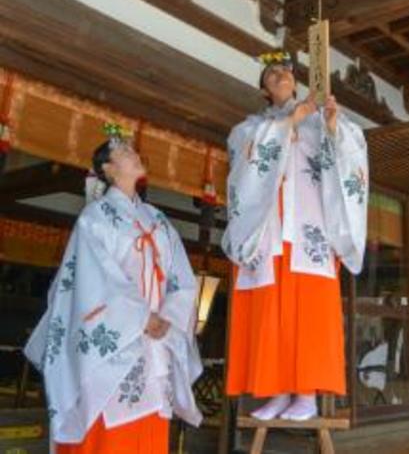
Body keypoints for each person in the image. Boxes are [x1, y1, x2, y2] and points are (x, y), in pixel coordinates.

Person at [25, 123, 203, 453]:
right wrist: (140, 317)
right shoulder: (95, 218)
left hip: (156, 339)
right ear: (107, 169)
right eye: (124, 152)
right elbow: (95, 279)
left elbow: (181, 278)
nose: (135, 154)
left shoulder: (158, 220)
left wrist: (168, 317)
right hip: (116, 340)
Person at [222, 52, 368, 421]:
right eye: (271, 74)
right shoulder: (248, 128)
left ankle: (306, 393)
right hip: (266, 232)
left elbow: (352, 153)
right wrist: (290, 122)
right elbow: (244, 158)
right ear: (263, 88)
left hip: (309, 232)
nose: (280, 76)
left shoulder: (318, 118)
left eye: (285, 71)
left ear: (296, 80)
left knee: (308, 313)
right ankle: (278, 392)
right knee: (270, 311)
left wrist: (332, 123)